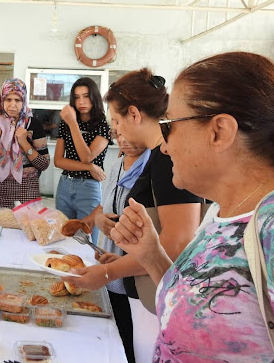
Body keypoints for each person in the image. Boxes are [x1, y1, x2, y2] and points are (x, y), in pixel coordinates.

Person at [111, 52, 274, 363]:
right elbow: (196, 307)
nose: (164, 144)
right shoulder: (223, 212)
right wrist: (152, 255)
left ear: (219, 132)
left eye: (169, 125)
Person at [63, 68, 202, 363]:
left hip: (161, 296)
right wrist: (120, 262)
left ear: (135, 115)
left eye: (116, 120)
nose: (117, 131)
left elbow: (177, 242)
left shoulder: (165, 158)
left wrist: (108, 272)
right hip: (148, 291)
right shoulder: (158, 156)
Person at [90, 132, 150, 363]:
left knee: (129, 345)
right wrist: (99, 220)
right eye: (116, 126)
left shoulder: (152, 170)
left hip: (133, 278)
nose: (122, 136)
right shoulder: (117, 164)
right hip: (108, 273)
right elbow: (103, 208)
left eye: (125, 125)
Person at [54, 77, 111, 244]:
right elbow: (58, 161)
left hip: (89, 188)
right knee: (63, 237)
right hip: (65, 185)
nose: (81, 102)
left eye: (86, 96)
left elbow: (86, 156)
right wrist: (90, 167)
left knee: (86, 241)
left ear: (94, 97)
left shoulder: (102, 124)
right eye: (77, 97)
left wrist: (73, 124)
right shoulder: (65, 124)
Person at [0, 78, 50, 216]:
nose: (12, 105)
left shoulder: (34, 125)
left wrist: (24, 143)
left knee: (24, 234)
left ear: (23, 101)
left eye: (17, 100)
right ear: (2, 100)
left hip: (26, 192)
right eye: (8, 99)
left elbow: (44, 164)